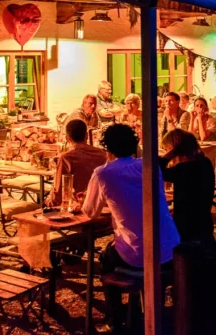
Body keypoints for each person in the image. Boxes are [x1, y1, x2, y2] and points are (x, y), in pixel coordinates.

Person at [83, 124, 180, 333]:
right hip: (171, 246)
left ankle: (114, 320)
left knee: (106, 259)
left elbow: (90, 212)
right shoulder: (149, 166)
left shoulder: (103, 173)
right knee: (119, 247)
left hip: (140, 254)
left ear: (106, 148)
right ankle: (138, 309)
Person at [159, 129, 215, 242]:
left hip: (186, 228)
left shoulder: (183, 169)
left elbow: (155, 169)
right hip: (204, 223)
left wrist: (172, 153)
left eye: (167, 149)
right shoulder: (205, 162)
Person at [45, 119, 108, 207]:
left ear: (67, 138)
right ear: (86, 136)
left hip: (80, 206)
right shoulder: (103, 154)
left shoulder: (67, 158)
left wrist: (48, 203)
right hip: (103, 204)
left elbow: (58, 195)